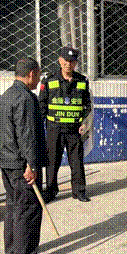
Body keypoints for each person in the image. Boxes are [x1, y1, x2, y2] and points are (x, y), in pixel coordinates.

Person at [0, 57, 53, 254]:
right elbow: (26, 134)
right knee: (28, 208)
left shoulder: (6, 96)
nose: (38, 80)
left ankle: (13, 250)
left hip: (7, 161)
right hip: (22, 164)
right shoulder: (26, 98)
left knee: (13, 206)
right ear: (31, 74)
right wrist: (31, 164)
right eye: (38, 75)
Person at [39, 47, 92, 202]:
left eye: (72, 61)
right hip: (54, 129)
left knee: (76, 162)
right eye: (66, 61)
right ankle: (50, 191)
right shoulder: (49, 80)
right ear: (60, 60)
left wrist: (85, 123)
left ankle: (79, 191)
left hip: (75, 130)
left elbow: (87, 105)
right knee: (52, 162)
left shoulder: (82, 81)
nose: (68, 64)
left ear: (76, 63)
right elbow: (42, 106)